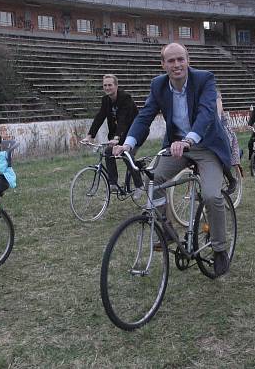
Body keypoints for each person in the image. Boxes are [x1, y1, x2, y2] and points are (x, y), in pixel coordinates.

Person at [113, 43, 233, 277]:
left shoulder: (204, 79)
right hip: (177, 146)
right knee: (153, 179)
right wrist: (128, 143)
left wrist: (189, 140)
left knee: (210, 195)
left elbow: (207, 113)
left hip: (206, 146)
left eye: (180, 59)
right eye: (171, 61)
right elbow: (144, 116)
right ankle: (167, 229)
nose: (176, 65)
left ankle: (219, 249)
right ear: (163, 64)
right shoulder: (158, 85)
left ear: (188, 60)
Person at [83, 74, 139, 192]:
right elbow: (100, 117)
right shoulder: (106, 100)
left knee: (126, 155)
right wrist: (89, 136)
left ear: (116, 86)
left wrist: (117, 137)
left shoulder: (126, 98)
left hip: (134, 131)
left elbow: (124, 119)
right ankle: (113, 183)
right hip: (119, 133)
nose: (107, 87)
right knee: (108, 152)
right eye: (105, 85)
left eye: (110, 85)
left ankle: (139, 185)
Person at [217, 90, 240, 194]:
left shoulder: (215, 96)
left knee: (221, 156)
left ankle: (231, 180)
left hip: (222, 131)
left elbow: (218, 113)